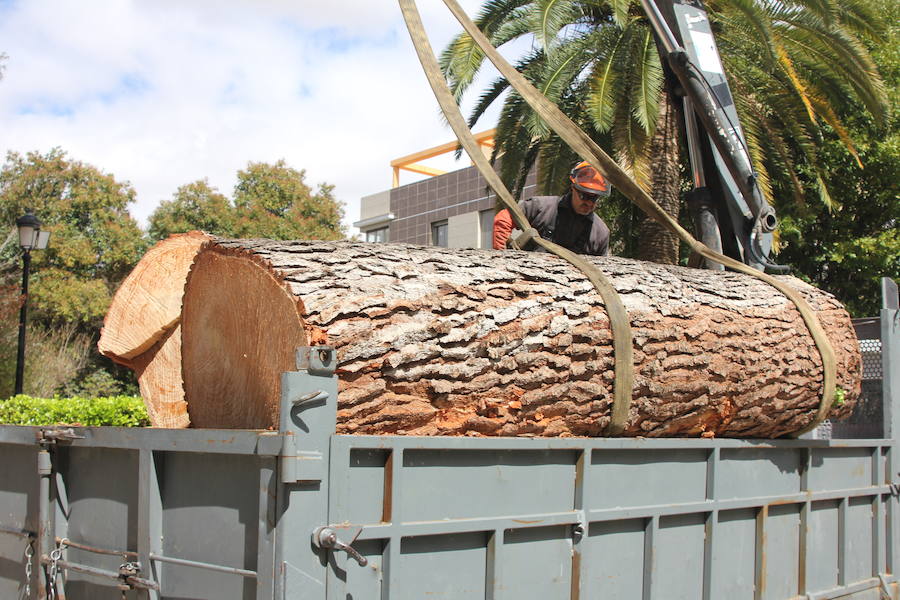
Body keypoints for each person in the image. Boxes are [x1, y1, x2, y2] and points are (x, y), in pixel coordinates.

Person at [492, 161, 611, 255]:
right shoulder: (541, 207)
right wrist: (501, 257)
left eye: (594, 198)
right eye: (584, 196)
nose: (589, 203)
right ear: (573, 188)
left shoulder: (600, 233)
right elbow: (503, 219)